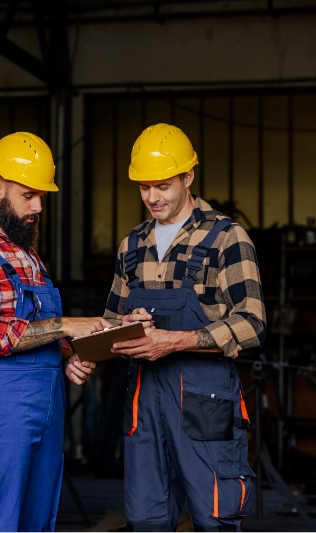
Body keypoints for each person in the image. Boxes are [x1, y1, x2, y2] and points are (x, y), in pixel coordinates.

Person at [0, 132, 108, 532]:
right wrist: (65, 325)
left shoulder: (28, 256)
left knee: (38, 522)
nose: (38, 207)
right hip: (1, 409)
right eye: (29, 195)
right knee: (1, 522)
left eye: (42, 197)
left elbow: (37, 332)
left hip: (47, 409)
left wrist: (68, 357)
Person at [105, 124, 266, 531]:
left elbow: (253, 323)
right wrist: (125, 328)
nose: (153, 197)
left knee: (215, 515)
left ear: (188, 177)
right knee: (145, 519)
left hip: (204, 399)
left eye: (162, 186)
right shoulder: (132, 245)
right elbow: (110, 322)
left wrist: (173, 341)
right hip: (146, 398)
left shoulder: (227, 238)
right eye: (144, 188)